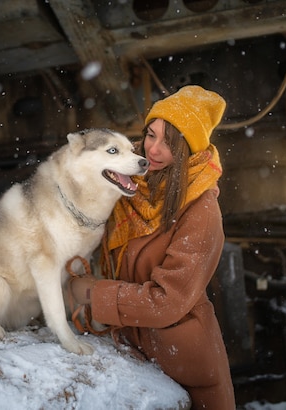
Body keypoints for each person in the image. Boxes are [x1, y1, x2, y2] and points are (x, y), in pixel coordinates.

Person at [69, 85, 236, 409]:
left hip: (185, 366)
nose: (153, 150)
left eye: (169, 142)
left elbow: (167, 302)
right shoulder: (132, 184)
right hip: (137, 351)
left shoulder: (201, 211)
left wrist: (91, 293)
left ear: (189, 150)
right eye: (150, 134)